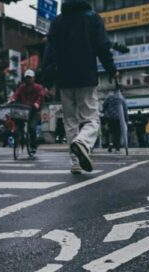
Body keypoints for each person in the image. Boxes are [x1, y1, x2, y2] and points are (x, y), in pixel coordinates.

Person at [43, 0, 118, 174]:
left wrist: (47, 80)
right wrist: (112, 70)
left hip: (64, 79)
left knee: (70, 121)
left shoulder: (57, 21)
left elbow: (50, 52)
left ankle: (75, 162)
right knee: (91, 119)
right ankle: (83, 142)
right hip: (86, 76)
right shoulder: (92, 18)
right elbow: (102, 46)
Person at [10, 69, 44, 155]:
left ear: (33, 78)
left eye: (30, 78)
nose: (28, 80)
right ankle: (19, 137)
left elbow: (40, 96)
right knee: (18, 124)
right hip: (23, 111)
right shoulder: (22, 87)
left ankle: (33, 146)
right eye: (27, 78)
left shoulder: (38, 87)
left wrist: (37, 103)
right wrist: (13, 99)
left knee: (32, 128)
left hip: (34, 112)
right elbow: (16, 94)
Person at [102, 87, 128, 153]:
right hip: (118, 118)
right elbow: (125, 110)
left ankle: (110, 145)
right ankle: (117, 149)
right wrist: (126, 120)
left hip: (109, 117)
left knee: (111, 132)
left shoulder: (109, 97)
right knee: (118, 133)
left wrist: (105, 112)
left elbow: (104, 105)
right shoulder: (122, 99)